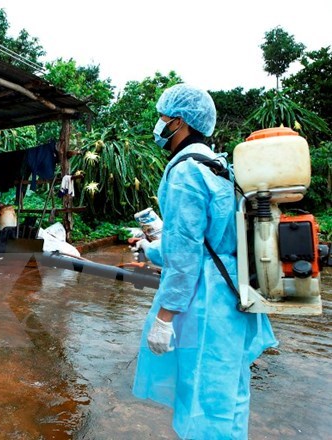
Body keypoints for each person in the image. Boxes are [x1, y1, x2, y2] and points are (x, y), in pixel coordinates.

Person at [132, 83, 278, 439]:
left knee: (204, 399)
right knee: (231, 395)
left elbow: (185, 255)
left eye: (163, 119)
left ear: (179, 122)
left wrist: (165, 317)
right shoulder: (219, 166)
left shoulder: (186, 172)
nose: (159, 127)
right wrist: (152, 250)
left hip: (207, 303)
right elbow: (210, 240)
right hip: (235, 292)